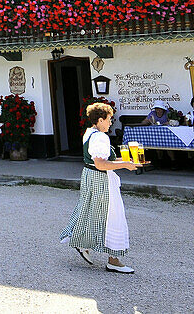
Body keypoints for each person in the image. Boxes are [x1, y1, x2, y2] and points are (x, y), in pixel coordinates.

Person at [59, 102, 141, 274]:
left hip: (91, 176)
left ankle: (84, 244)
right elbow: (101, 164)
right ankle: (113, 259)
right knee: (113, 215)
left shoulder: (90, 133)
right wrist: (125, 164)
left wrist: (124, 161)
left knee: (92, 210)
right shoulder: (101, 137)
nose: (111, 123)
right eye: (109, 119)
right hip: (100, 179)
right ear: (101, 120)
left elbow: (97, 160)